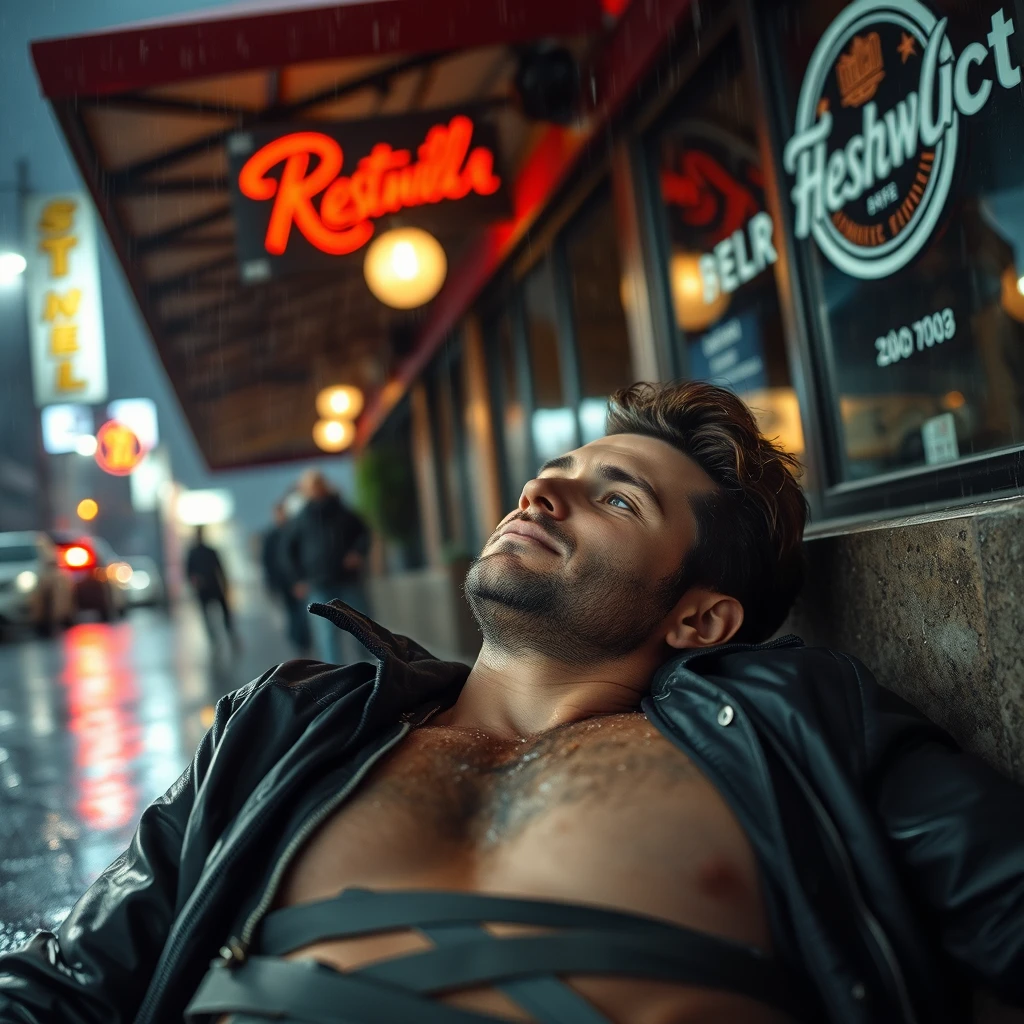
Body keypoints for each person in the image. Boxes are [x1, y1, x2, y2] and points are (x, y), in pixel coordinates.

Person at [1, 379, 1023, 1024]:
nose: (540, 493)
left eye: (618, 497)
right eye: (554, 472)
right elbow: (72, 976)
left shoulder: (795, 721)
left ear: (700, 619)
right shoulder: (286, 720)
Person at [280, 469, 371, 664]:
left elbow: (363, 533)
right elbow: (288, 551)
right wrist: (297, 580)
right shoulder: (301, 519)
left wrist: (357, 553)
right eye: (311, 486)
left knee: (363, 628)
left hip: (348, 580)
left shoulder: (342, 511)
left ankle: (375, 667)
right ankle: (336, 675)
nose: (316, 489)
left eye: (318, 484)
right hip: (318, 584)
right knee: (326, 633)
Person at [262, 501, 312, 657]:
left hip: (297, 581)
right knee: (292, 613)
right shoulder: (271, 536)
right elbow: (267, 562)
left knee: (303, 612)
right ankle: (298, 641)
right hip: (283, 583)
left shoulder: (294, 530)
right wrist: (271, 584)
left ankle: (303, 640)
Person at [184, 524, 237, 652]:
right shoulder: (194, 553)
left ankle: (230, 637)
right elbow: (188, 572)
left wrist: (224, 584)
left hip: (213, 587)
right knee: (209, 617)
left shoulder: (208, 551)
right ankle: (216, 640)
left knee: (223, 614)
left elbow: (219, 568)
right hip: (205, 589)